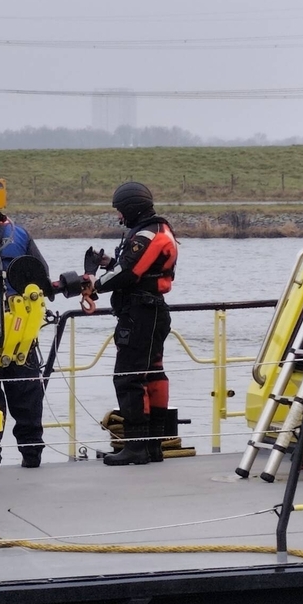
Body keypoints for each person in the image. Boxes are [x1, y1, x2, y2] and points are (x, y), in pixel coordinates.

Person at [84, 182, 177, 466]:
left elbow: (128, 272)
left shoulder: (148, 233)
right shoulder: (156, 231)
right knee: (152, 374)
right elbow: (136, 265)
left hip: (141, 314)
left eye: (120, 211)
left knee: (128, 377)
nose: (119, 217)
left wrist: (94, 287)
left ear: (132, 208)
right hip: (150, 312)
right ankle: (152, 446)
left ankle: (136, 447)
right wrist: (107, 261)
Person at [0, 212, 47, 470]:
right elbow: (42, 275)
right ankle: (32, 454)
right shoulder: (20, 234)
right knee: (27, 392)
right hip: (21, 329)